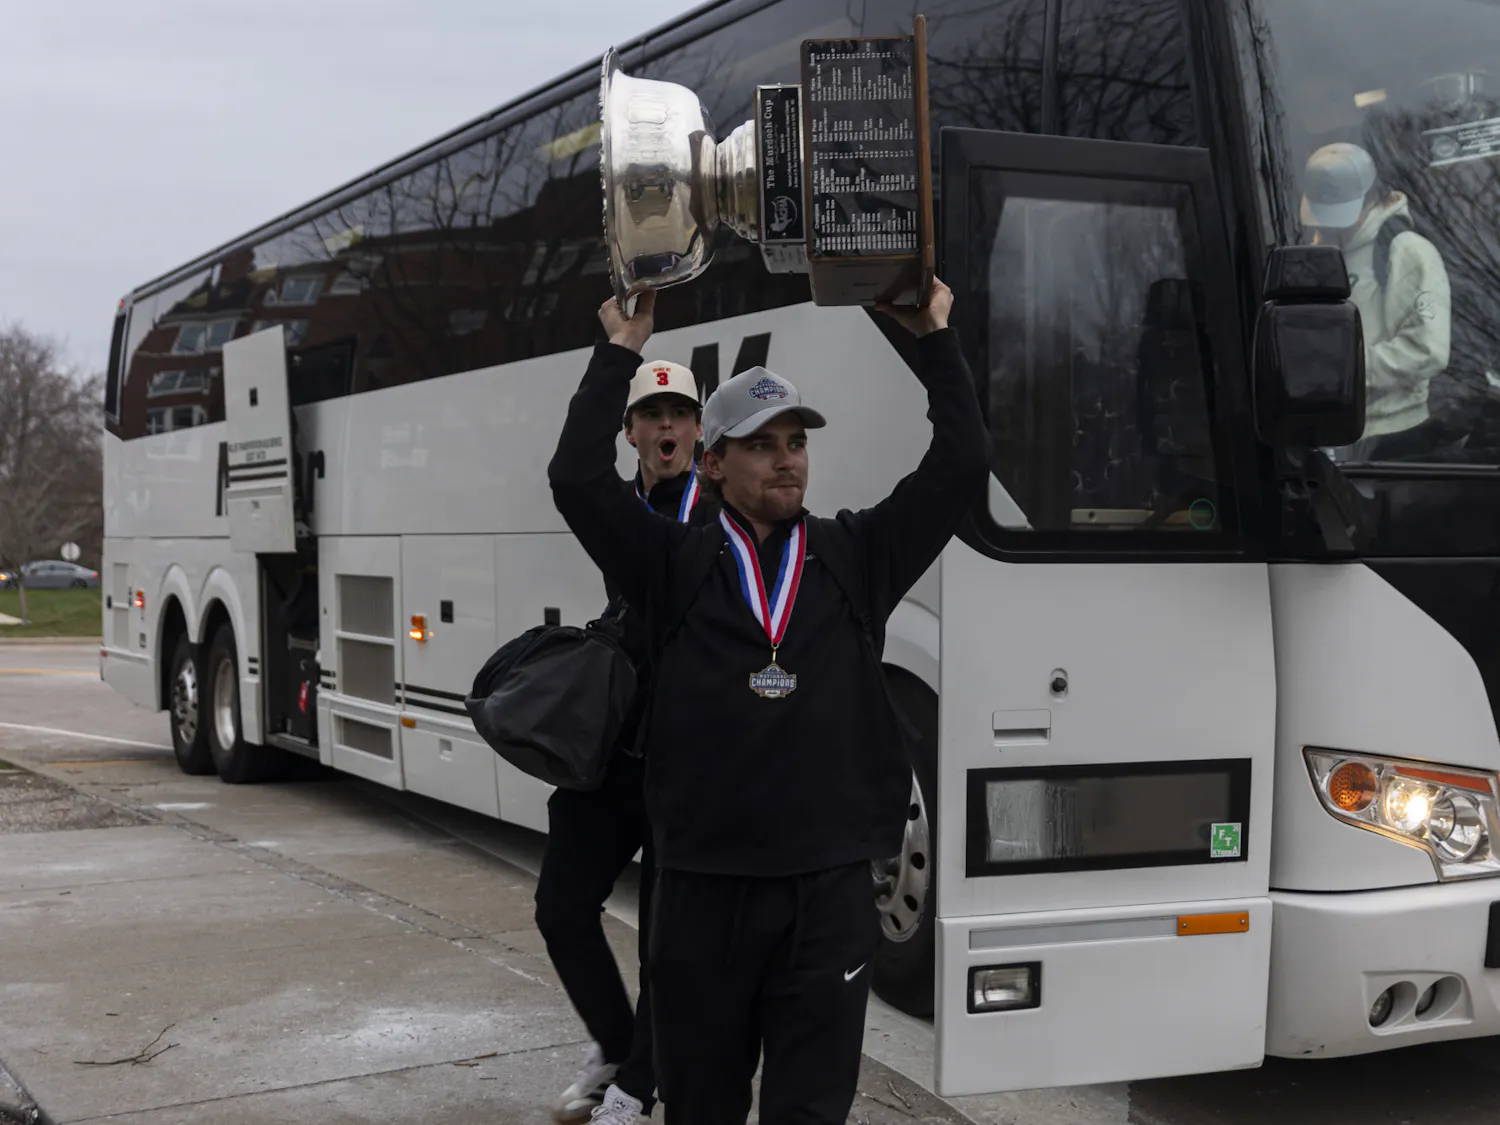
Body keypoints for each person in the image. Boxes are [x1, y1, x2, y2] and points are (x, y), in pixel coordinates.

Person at [548, 280, 989, 1124]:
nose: (786, 457)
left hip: (826, 900)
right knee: (703, 1109)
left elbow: (961, 463)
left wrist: (934, 335)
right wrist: (620, 350)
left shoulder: (856, 556)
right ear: (713, 463)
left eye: (795, 440)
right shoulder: (670, 565)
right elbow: (575, 478)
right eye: (759, 444)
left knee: (811, 1113)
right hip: (702, 898)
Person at [535, 356, 714, 1124]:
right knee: (560, 903)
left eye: (679, 414)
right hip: (612, 752)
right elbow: (571, 473)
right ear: (630, 431)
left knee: (664, 940)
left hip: (687, 761)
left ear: (700, 432)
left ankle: (640, 1086)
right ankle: (615, 1046)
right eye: (651, 415)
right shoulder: (619, 508)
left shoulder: (717, 513)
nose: (665, 426)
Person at [1301, 141, 1453, 460]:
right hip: (1345, 435)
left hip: (1395, 440)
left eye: (1339, 217)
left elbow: (1428, 350)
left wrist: (1344, 373)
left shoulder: (1405, 249)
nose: (1329, 226)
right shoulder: (1331, 251)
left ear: (1371, 199)